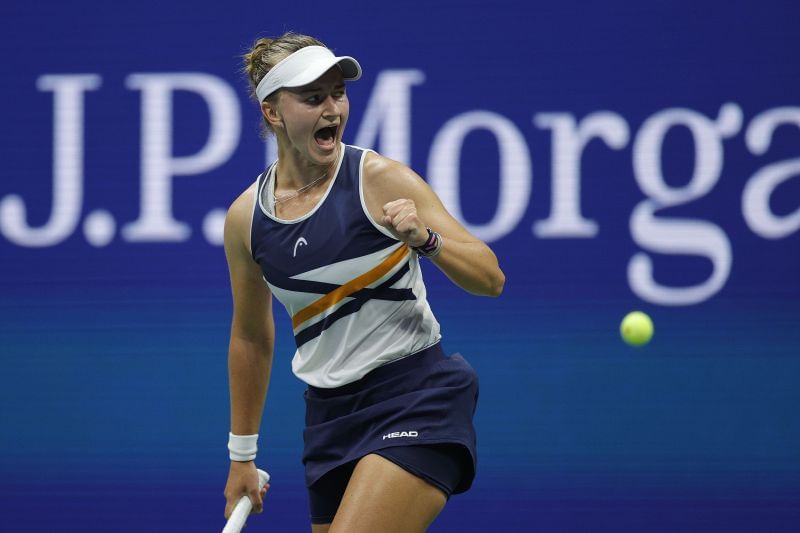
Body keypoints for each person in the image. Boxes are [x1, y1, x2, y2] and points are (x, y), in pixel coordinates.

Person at [223, 32, 505, 533]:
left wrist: (426, 240)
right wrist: (241, 456)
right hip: (329, 419)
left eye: (339, 93)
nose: (333, 109)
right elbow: (250, 335)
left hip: (415, 395)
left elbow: (490, 278)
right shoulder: (247, 219)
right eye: (313, 98)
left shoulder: (378, 178)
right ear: (273, 113)